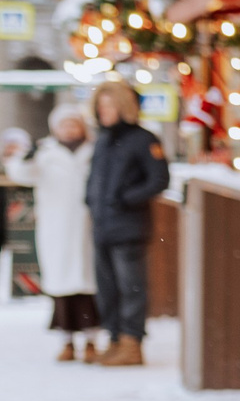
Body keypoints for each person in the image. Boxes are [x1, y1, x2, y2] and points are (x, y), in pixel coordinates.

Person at [3, 108, 99, 360]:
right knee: (62, 284)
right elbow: (21, 174)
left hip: (87, 224)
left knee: (89, 284)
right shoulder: (45, 152)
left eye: (73, 125)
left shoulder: (93, 151)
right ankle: (67, 341)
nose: (69, 130)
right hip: (57, 225)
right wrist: (25, 158)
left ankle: (91, 340)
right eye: (64, 125)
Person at [84, 79, 165, 367]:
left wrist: (126, 199)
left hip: (129, 227)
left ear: (123, 106)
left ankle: (132, 343)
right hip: (102, 226)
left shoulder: (143, 139)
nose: (103, 111)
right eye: (100, 106)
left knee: (131, 287)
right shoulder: (103, 139)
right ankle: (115, 339)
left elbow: (159, 179)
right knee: (107, 288)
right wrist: (90, 200)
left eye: (109, 105)